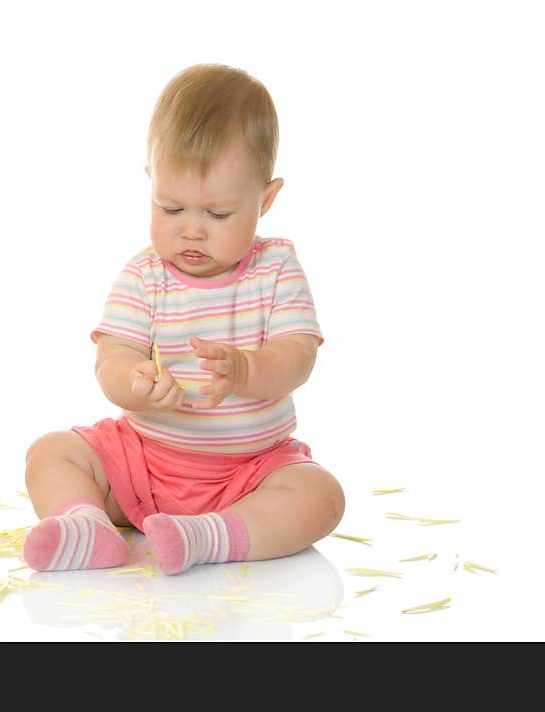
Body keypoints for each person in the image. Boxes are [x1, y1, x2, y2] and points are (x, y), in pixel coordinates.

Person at [22, 63, 344, 575]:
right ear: (151, 184)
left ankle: (207, 535)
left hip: (248, 472)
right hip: (143, 463)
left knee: (320, 496)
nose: (191, 231)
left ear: (266, 198)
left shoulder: (276, 267)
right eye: (171, 209)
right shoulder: (146, 275)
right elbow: (112, 357)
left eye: (217, 215)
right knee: (52, 452)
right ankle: (85, 525)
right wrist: (134, 381)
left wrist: (246, 371)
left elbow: (297, 357)